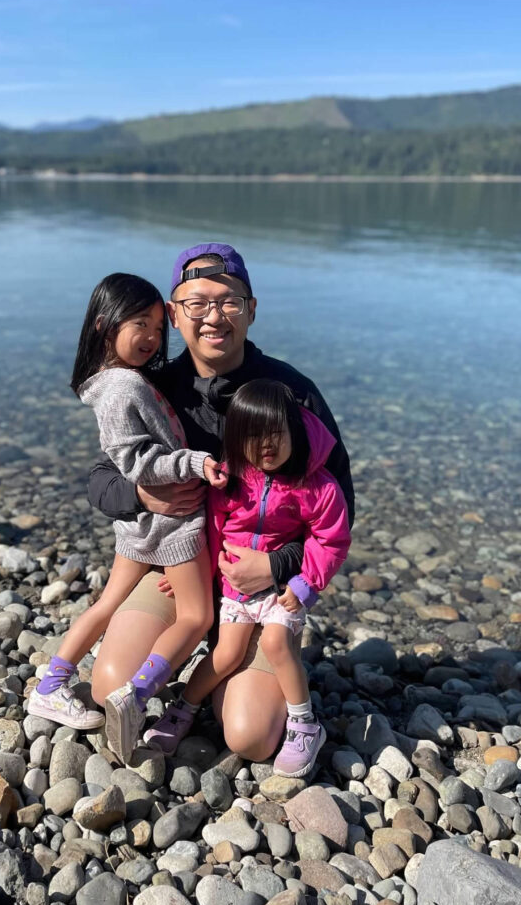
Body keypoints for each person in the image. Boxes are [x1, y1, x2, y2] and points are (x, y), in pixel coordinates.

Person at [87, 243, 354, 763]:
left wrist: (278, 565)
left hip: (259, 587)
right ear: (174, 314)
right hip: (179, 572)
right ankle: (197, 672)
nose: (214, 316)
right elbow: (100, 481)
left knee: (249, 738)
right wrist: (140, 493)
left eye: (229, 302)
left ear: (251, 310)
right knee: (108, 686)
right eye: (197, 303)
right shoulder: (151, 389)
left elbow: (339, 508)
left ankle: (240, 674)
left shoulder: (289, 394)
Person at [27, 273, 226, 763]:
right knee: (196, 616)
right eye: (140, 323)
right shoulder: (122, 387)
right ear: (104, 324)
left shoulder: (121, 381)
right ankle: (136, 695)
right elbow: (135, 462)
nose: (152, 338)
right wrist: (195, 463)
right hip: (172, 527)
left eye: (159, 328)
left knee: (109, 602)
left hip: (138, 526)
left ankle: (51, 683)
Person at [144, 379, 350, 777]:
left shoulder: (317, 485)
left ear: (295, 430)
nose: (266, 445)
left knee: (276, 642)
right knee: (226, 654)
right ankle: (184, 708)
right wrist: (196, 576)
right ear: (237, 438)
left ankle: (305, 724)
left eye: (276, 433)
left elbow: (331, 539)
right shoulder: (231, 480)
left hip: (282, 590)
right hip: (235, 592)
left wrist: (305, 584)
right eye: (253, 436)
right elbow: (212, 532)